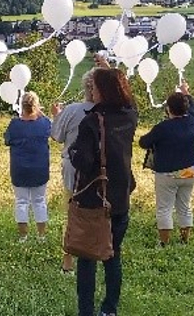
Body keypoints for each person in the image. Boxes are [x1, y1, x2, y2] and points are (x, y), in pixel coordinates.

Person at [69, 68, 138, 316]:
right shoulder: (130, 117)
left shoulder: (92, 121)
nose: (92, 92)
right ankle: (110, 309)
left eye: (96, 88)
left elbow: (84, 162)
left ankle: (85, 311)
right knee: (113, 255)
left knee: (87, 259)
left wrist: (73, 152)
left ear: (103, 91)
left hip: (94, 199)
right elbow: (133, 102)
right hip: (120, 197)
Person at [139, 81, 194, 246]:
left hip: (167, 173)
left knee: (164, 208)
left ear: (168, 109)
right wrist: (186, 92)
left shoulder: (163, 128)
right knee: (184, 205)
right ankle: (184, 241)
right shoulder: (193, 121)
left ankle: (164, 243)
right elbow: (192, 106)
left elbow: (143, 142)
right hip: (191, 170)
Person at [50, 68, 100, 273]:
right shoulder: (108, 112)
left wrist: (57, 117)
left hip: (73, 166)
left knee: (72, 212)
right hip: (99, 169)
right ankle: (95, 253)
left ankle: (68, 261)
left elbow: (56, 136)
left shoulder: (72, 110)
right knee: (97, 213)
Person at [4, 91, 51, 242]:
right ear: (37, 106)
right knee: (39, 201)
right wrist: (41, 113)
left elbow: (7, 140)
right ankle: (41, 235)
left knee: (21, 201)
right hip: (40, 168)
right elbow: (52, 129)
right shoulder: (44, 123)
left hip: (20, 168)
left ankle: (23, 236)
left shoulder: (15, 124)